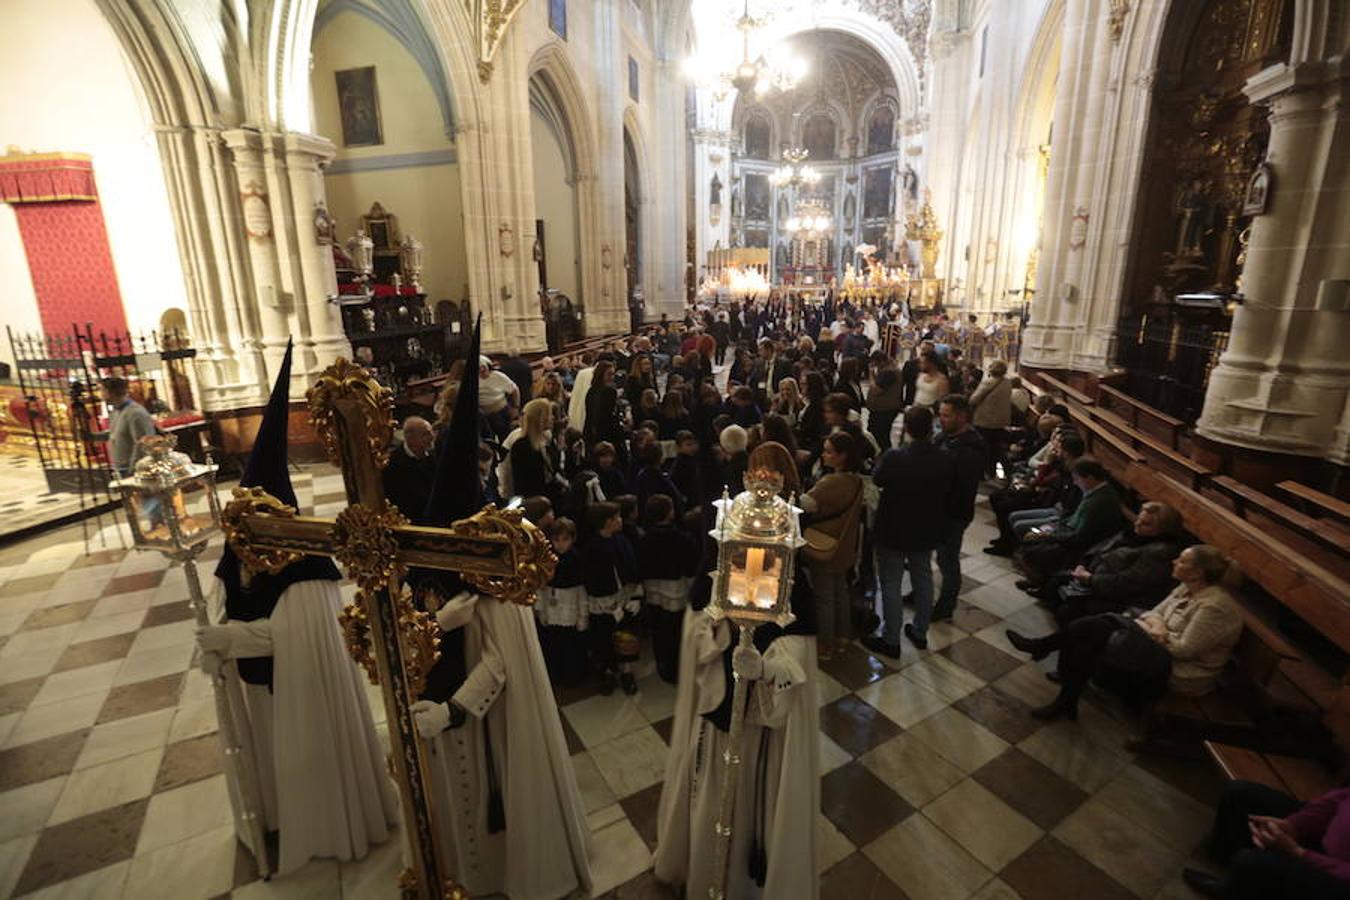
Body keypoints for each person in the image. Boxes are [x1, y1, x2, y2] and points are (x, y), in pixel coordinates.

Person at [197, 340, 400, 875]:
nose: (244, 537)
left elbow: (299, 637)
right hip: (256, 689)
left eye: (254, 525)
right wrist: (219, 643)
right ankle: (275, 817)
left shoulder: (307, 566)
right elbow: (228, 604)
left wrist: (231, 640)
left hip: (298, 688)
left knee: (302, 757)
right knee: (266, 756)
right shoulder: (235, 551)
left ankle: (324, 821)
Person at [407, 322, 593, 898]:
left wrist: (455, 710)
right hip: (437, 706)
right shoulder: (432, 562)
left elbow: (501, 662)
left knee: (496, 794)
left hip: (479, 718)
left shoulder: (494, 583)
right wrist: (436, 625)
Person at [653, 463, 820, 900]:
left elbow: (799, 651)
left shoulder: (794, 589)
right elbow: (694, 633)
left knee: (748, 812)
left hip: (758, 734)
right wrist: (718, 633)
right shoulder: (714, 579)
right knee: (708, 804)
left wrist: (765, 668)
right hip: (717, 719)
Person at [1005, 545, 1243, 721]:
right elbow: (1152, 613)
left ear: (1197, 573)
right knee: (1087, 634)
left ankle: (1046, 657)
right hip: (1157, 649)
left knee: (1092, 630)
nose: (1173, 561)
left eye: (1181, 561)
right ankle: (1064, 699)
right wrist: (1157, 627)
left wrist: (1155, 628)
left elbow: (1183, 650)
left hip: (1180, 672)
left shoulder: (1215, 606)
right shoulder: (1186, 586)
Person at [864, 406, 955, 659]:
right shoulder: (944, 458)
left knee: (891, 582)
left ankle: (891, 639)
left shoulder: (896, 457)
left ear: (907, 429)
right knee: (923, 579)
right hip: (926, 527)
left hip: (894, 527)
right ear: (931, 428)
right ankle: (920, 631)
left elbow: (878, 479)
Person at [1183, 780, 1350, 899]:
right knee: (1238, 793)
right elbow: (1340, 799)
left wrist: (1298, 853)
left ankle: (1233, 886)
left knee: (1252, 863)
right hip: (1324, 838)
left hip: (1338, 876)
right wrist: (1293, 825)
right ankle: (1228, 871)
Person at [1041, 501, 1185, 624]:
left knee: (1069, 611)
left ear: (1162, 530)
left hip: (1119, 596)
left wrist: (1090, 579)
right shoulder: (1132, 534)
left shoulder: (1161, 553)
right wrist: (1084, 563)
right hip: (1096, 577)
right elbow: (1101, 547)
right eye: (1138, 519)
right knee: (1056, 579)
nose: (1138, 524)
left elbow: (1128, 583)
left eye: (1146, 524)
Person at [800, 432, 866, 658]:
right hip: (845, 544)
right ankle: (843, 637)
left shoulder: (832, 481)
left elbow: (805, 504)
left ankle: (826, 644)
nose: (824, 455)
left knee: (824, 596)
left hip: (826, 543)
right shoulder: (855, 479)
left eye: (829, 451)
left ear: (842, 456)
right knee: (841, 591)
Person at [1016, 457, 1127, 588]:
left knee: (1028, 550)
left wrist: (1049, 536)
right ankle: (1039, 579)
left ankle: (1039, 582)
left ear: (1090, 478)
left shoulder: (1099, 501)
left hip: (1083, 547)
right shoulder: (1097, 491)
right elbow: (1075, 517)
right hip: (1071, 534)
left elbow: (1080, 537)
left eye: (1077, 478)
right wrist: (1054, 526)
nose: (1075, 482)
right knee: (1030, 539)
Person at [931, 395, 987, 629]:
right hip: (937, 509)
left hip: (953, 513)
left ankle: (946, 606)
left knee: (948, 560)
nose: (941, 420)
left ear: (962, 416)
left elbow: (961, 486)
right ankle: (920, 592)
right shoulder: (945, 437)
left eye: (946, 415)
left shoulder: (971, 448)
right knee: (926, 554)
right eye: (940, 415)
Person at [584, 501, 642, 695]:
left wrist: (634, 595)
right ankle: (608, 671)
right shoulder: (592, 548)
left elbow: (632, 567)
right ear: (607, 522)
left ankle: (627, 672)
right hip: (603, 602)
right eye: (616, 518)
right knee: (604, 640)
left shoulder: (622, 541)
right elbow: (592, 579)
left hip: (623, 596)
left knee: (626, 636)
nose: (620, 520)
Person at [640, 494, 699, 684]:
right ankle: (677, 670)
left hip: (652, 590)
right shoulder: (681, 538)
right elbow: (691, 567)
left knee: (658, 630)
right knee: (676, 631)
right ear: (670, 513)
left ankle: (662, 666)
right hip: (676, 591)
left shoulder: (645, 538)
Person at [535, 517, 588, 686]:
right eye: (556, 540)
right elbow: (542, 588)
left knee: (572, 647)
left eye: (565, 539)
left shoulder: (577, 559)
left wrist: (583, 617)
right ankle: (556, 676)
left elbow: (581, 591)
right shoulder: (548, 559)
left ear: (573, 538)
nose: (560, 544)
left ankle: (573, 677)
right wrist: (540, 611)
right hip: (552, 610)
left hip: (571, 610)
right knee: (554, 646)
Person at [508, 398, 563, 505]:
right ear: (539, 418)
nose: (552, 418)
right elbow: (520, 483)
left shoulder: (548, 439)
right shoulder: (520, 446)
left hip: (553, 495)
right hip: (534, 500)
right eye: (549, 414)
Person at [382, 415, 436, 520]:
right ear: (410, 439)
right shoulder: (392, 464)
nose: (432, 437)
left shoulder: (434, 456)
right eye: (426, 434)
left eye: (431, 432)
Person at [101, 376, 157, 476]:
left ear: (111, 392)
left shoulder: (135, 413)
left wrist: (133, 470)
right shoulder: (116, 411)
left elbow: (143, 444)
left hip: (132, 470)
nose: (101, 395)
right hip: (120, 468)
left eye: (102, 391)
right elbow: (116, 434)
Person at [970, 359, 1012, 475]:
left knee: (983, 447)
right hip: (1001, 421)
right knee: (996, 448)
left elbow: (973, 400)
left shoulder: (988, 382)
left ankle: (982, 472)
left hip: (985, 420)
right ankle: (996, 472)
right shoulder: (1007, 383)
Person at [478, 355, 520, 439]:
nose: (482, 370)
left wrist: (516, 407)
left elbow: (514, 390)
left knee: (505, 436)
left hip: (500, 412)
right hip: (484, 416)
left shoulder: (498, 376)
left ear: (488, 366)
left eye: (483, 367)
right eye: (479, 369)